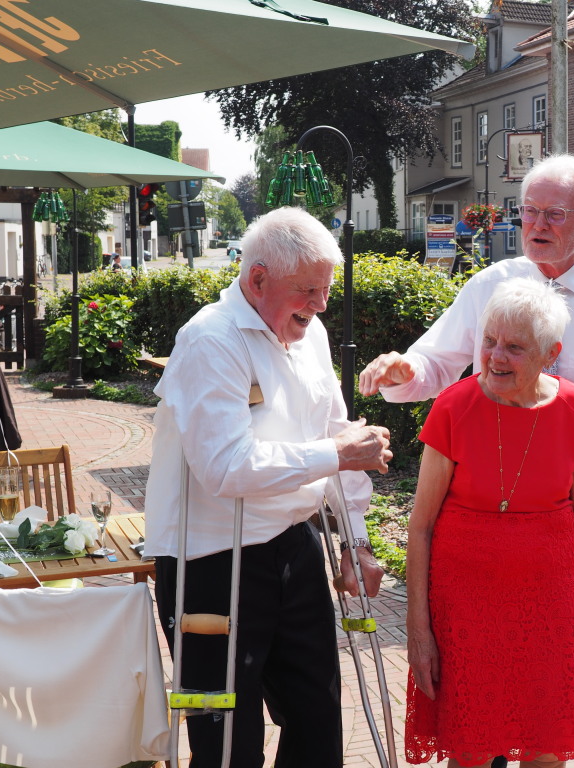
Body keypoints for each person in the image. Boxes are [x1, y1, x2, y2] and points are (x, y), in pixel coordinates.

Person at [359, 154, 574, 768]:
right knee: (501, 663)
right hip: (501, 506)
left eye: (554, 213)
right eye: (529, 211)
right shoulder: (489, 286)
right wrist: (402, 369)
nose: (537, 224)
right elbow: (436, 362)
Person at [144, 206, 393, 768]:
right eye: (308, 289)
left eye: (326, 289)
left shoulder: (311, 333)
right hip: (211, 563)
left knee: (317, 720)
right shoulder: (210, 339)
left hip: (293, 545)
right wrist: (335, 453)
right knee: (226, 742)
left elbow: (338, 432)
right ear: (258, 279)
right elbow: (226, 467)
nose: (321, 304)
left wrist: (355, 541)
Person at [404, 278, 574, 768]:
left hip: (550, 607)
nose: (495, 357)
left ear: (550, 353)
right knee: (471, 749)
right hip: (465, 608)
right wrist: (418, 629)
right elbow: (421, 526)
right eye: (489, 340)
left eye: (514, 347)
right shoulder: (454, 406)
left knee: (547, 746)